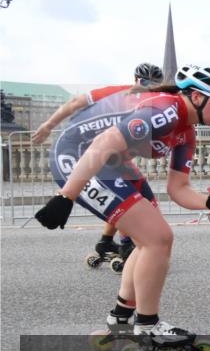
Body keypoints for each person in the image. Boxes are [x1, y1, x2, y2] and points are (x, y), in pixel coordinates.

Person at [34, 64, 210, 351]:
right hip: (79, 154)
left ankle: (121, 317)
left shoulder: (186, 131)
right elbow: (104, 142)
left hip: (110, 160)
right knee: (158, 238)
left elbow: (177, 188)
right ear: (196, 97)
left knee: (150, 238)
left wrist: (209, 202)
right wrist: (66, 196)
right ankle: (148, 325)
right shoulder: (166, 110)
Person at [31, 62, 165, 268]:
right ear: (135, 81)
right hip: (91, 155)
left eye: (155, 84)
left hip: (116, 158)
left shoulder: (157, 103)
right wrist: (48, 125)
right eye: (145, 82)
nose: (149, 88)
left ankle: (105, 243)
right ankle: (127, 245)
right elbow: (76, 102)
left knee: (142, 197)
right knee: (131, 201)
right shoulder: (116, 94)